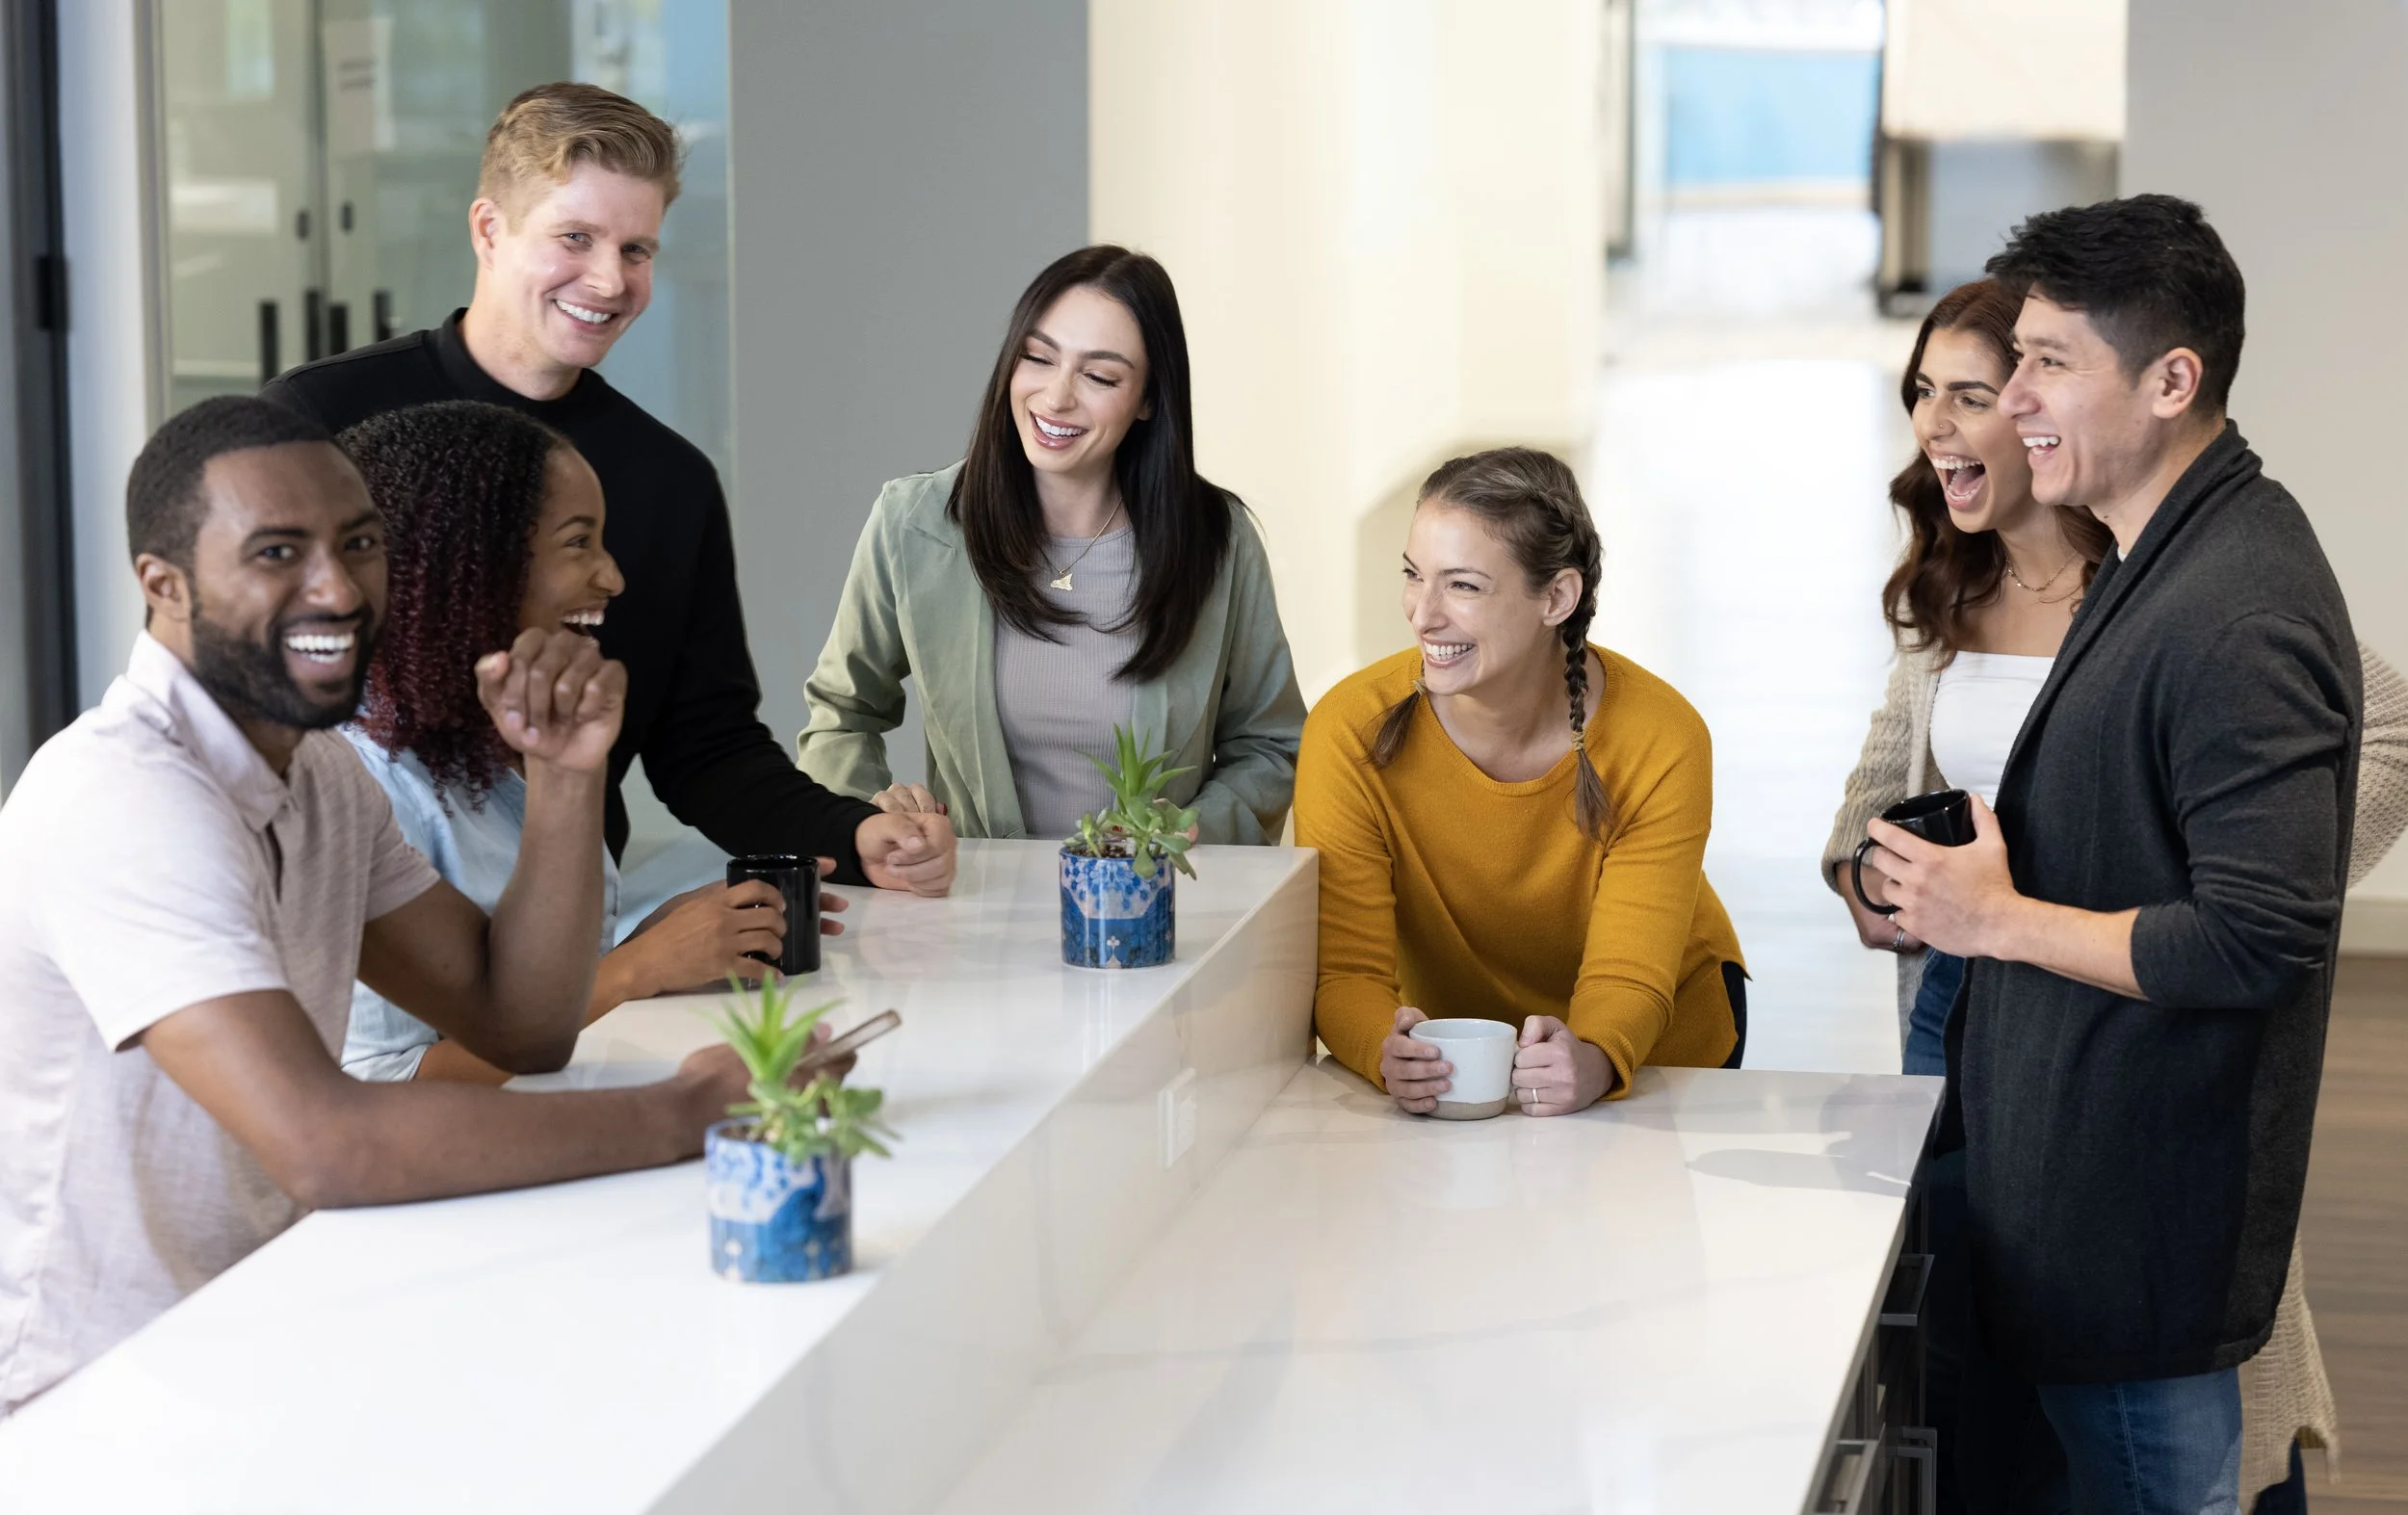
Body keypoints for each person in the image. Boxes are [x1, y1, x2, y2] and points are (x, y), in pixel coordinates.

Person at [0, 399, 788, 1415]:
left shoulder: (322, 777)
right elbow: (327, 1143)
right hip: (91, 1404)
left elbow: (524, 1022)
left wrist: (563, 773)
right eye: (277, 551)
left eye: (360, 543)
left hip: (255, 1337)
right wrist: (679, 1115)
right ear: (165, 586)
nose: (336, 587)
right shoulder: (124, 798)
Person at [1826, 277, 2408, 1511]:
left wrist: (2200, 884)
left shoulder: (2170, 585)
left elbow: (2386, 726)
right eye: (1923, 391)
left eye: (1980, 392)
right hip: (1958, 1003)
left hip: (2127, 1007)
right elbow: (1887, 771)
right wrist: (1869, 876)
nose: (1939, 423)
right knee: (1978, 1344)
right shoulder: (1946, 580)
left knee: (2141, 1358)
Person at [258, 82, 955, 896]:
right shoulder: (318, 418)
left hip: (564, 922)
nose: (608, 279)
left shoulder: (670, 480)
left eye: (637, 250)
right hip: (338, 904)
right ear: (490, 229)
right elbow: (241, 678)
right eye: (576, 237)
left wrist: (855, 832)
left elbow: (707, 746)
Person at [335, 400, 853, 1084]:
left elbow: (530, 985)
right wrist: (633, 971)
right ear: (472, 562)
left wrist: (665, 941)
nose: (614, 577)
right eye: (580, 542)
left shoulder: (491, 744)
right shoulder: (363, 781)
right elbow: (384, 1084)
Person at [797, 245, 1304, 843]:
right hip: (975, 917)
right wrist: (871, 813)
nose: (1057, 396)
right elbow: (839, 716)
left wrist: (1187, 831)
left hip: (1153, 918)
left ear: (1147, 400)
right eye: (1038, 358)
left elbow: (1272, 748)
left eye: (1099, 376)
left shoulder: (1217, 540)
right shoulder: (915, 523)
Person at [1297, 447, 1745, 1117]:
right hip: (1460, 1062)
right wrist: (1380, 1049)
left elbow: (1628, 973)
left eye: (1464, 585)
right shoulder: (1349, 729)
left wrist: (1592, 1056)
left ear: (1556, 597)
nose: (1423, 614)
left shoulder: (1662, 736)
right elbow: (1348, 970)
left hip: (1652, 1053)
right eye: (1414, 575)